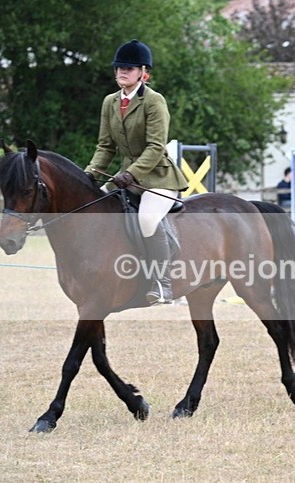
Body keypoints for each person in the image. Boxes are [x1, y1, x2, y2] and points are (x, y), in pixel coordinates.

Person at [86, 39, 188, 304]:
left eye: (128, 69)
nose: (121, 72)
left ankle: (163, 284)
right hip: (125, 177)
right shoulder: (109, 102)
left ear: (143, 71)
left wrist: (131, 174)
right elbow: (105, 146)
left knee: (147, 219)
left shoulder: (154, 102)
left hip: (158, 178)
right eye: (118, 68)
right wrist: (90, 175)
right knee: (92, 206)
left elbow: (156, 147)